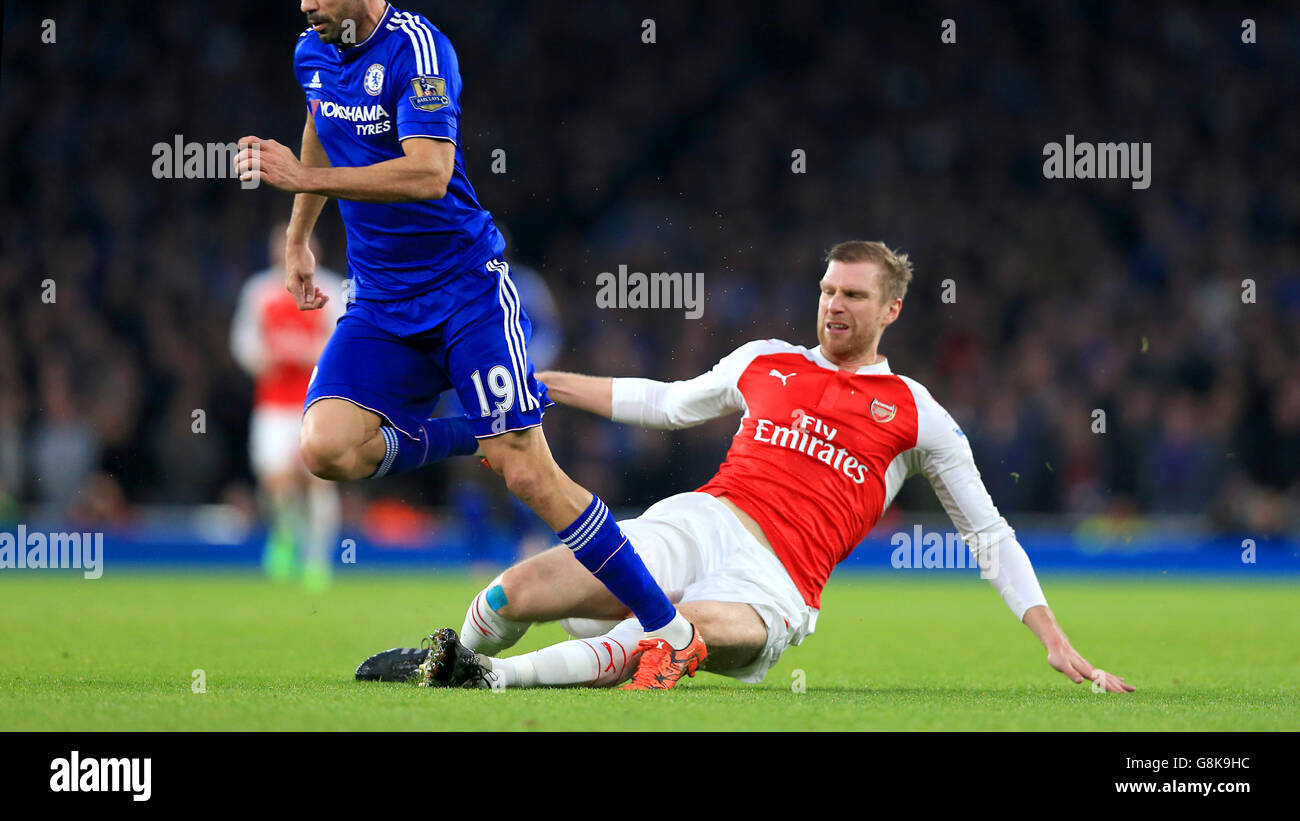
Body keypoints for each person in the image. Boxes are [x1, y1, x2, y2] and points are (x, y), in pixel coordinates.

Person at [233, 0, 700, 680]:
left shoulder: (420, 49)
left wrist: (303, 178)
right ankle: (476, 429)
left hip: (464, 291)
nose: (307, 3)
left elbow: (429, 171)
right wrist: (297, 236)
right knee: (326, 448)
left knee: (529, 475)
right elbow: (319, 123)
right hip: (381, 304)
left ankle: (673, 629)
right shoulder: (311, 53)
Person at [360, 241, 1136, 693]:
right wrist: (549, 383)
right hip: (701, 520)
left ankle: (491, 682)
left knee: (670, 636)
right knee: (518, 589)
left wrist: (1051, 636)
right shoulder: (767, 360)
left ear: (891, 309)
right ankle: (450, 653)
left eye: (854, 295)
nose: (834, 305)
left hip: (776, 585)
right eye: (828, 289)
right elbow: (666, 403)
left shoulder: (917, 412)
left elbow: (989, 533)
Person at [230, 223, 344, 590]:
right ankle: (285, 534)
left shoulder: (332, 289)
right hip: (273, 403)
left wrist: (306, 353)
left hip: (317, 402)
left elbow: (343, 341)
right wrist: (263, 356)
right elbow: (244, 342)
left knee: (318, 479)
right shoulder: (260, 291)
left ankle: (318, 559)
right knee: (274, 478)